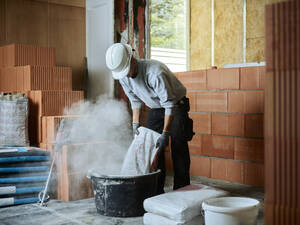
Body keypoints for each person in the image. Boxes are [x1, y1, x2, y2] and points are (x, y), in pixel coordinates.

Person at [105, 43, 194, 194]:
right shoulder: (124, 77)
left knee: (178, 144)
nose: (125, 75)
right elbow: (135, 101)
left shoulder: (154, 73)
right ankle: (156, 188)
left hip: (175, 105)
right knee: (152, 146)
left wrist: (165, 133)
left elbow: (169, 104)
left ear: (132, 59)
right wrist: (135, 124)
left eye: (126, 70)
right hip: (156, 108)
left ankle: (182, 189)